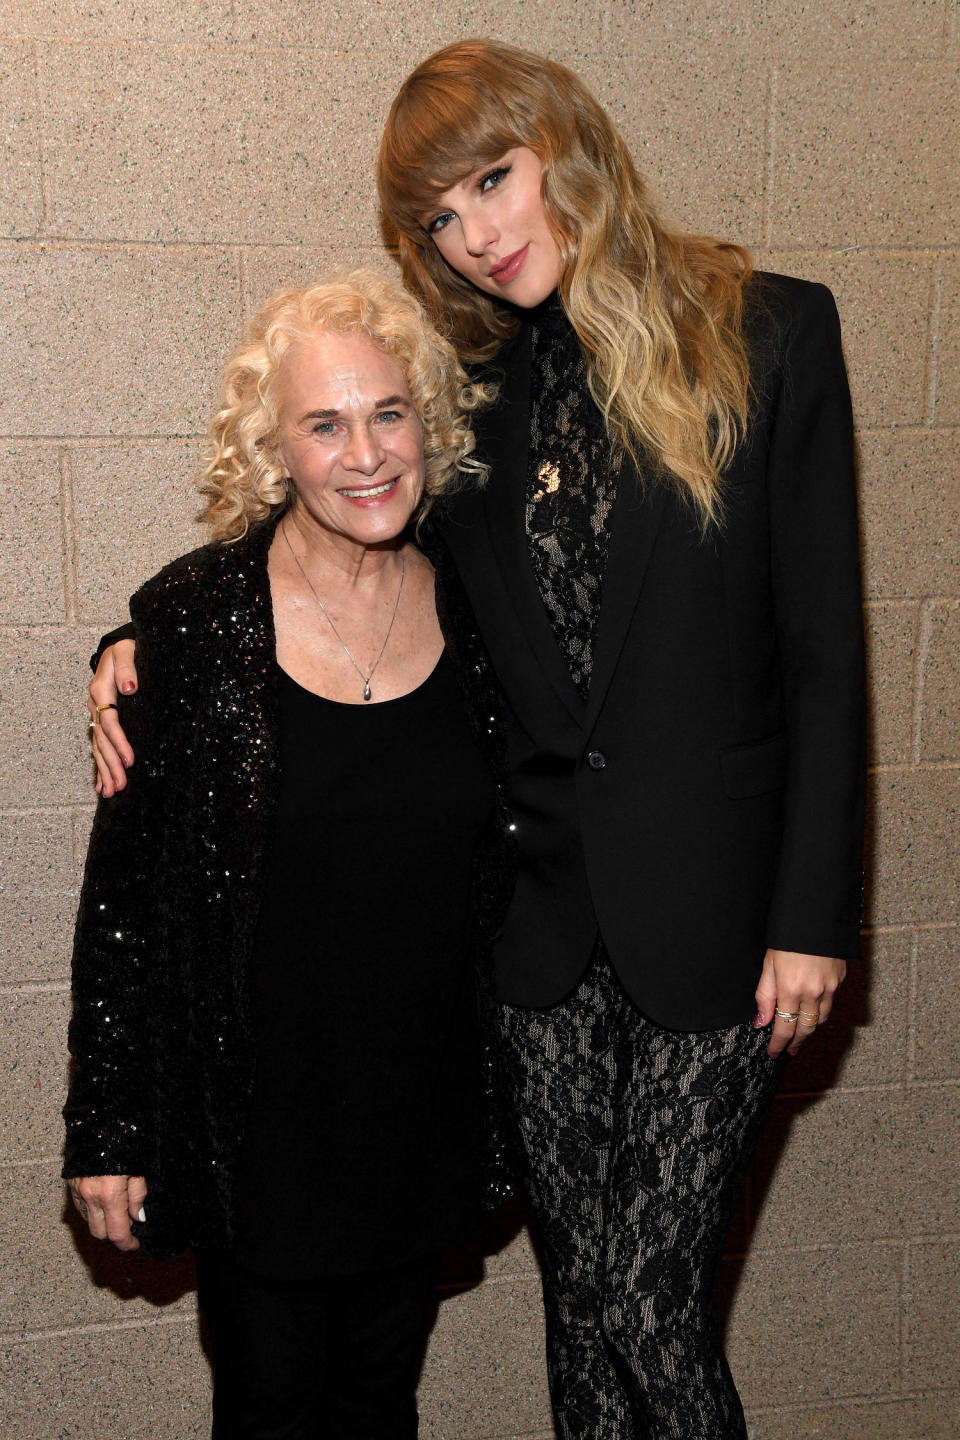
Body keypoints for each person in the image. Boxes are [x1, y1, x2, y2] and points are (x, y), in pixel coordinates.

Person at [88, 38, 867, 1440]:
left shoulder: (775, 334)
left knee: (648, 1301)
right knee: (579, 1300)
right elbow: (342, 521)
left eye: (492, 182)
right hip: (544, 939)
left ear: (566, 141)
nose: (477, 235)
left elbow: (825, 656)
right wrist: (139, 642)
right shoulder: (485, 402)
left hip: (724, 922)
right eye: (441, 218)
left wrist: (815, 916)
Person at [65, 269, 516, 1440]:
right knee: (268, 1408)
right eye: (324, 423)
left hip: (415, 1108)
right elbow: (122, 904)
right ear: (273, 450)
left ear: (429, 424)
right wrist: (109, 1128)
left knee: (379, 1402)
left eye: (389, 413)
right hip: (258, 1125)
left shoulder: (486, 608)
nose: (365, 453)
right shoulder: (196, 621)